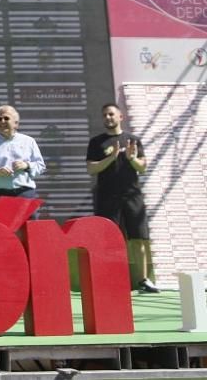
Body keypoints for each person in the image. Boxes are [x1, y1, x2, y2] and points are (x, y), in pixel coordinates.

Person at [85, 103, 158, 293]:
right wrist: (111, 158)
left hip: (132, 196)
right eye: (105, 115)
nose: (108, 118)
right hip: (107, 197)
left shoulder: (132, 140)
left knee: (138, 238)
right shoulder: (96, 142)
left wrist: (132, 158)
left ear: (120, 117)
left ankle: (143, 280)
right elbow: (91, 169)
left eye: (111, 114)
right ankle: (111, 279)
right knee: (109, 240)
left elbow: (142, 167)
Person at [0, 105, 46, 208]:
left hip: (25, 194)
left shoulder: (29, 141)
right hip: (1, 195)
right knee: (2, 225)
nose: (2, 121)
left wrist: (26, 165)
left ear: (16, 123)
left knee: (27, 224)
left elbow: (41, 166)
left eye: (6, 118)